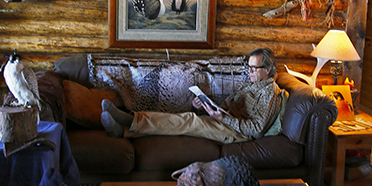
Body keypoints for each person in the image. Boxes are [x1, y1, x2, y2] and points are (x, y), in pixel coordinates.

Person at [101, 48, 285, 144]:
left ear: (267, 70)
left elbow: (257, 129)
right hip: (226, 121)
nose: (250, 71)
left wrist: (223, 118)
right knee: (188, 120)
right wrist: (207, 106)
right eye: (249, 67)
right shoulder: (250, 85)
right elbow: (228, 106)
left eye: (254, 68)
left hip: (239, 134)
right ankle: (124, 130)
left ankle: (130, 119)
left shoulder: (269, 92)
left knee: (189, 121)